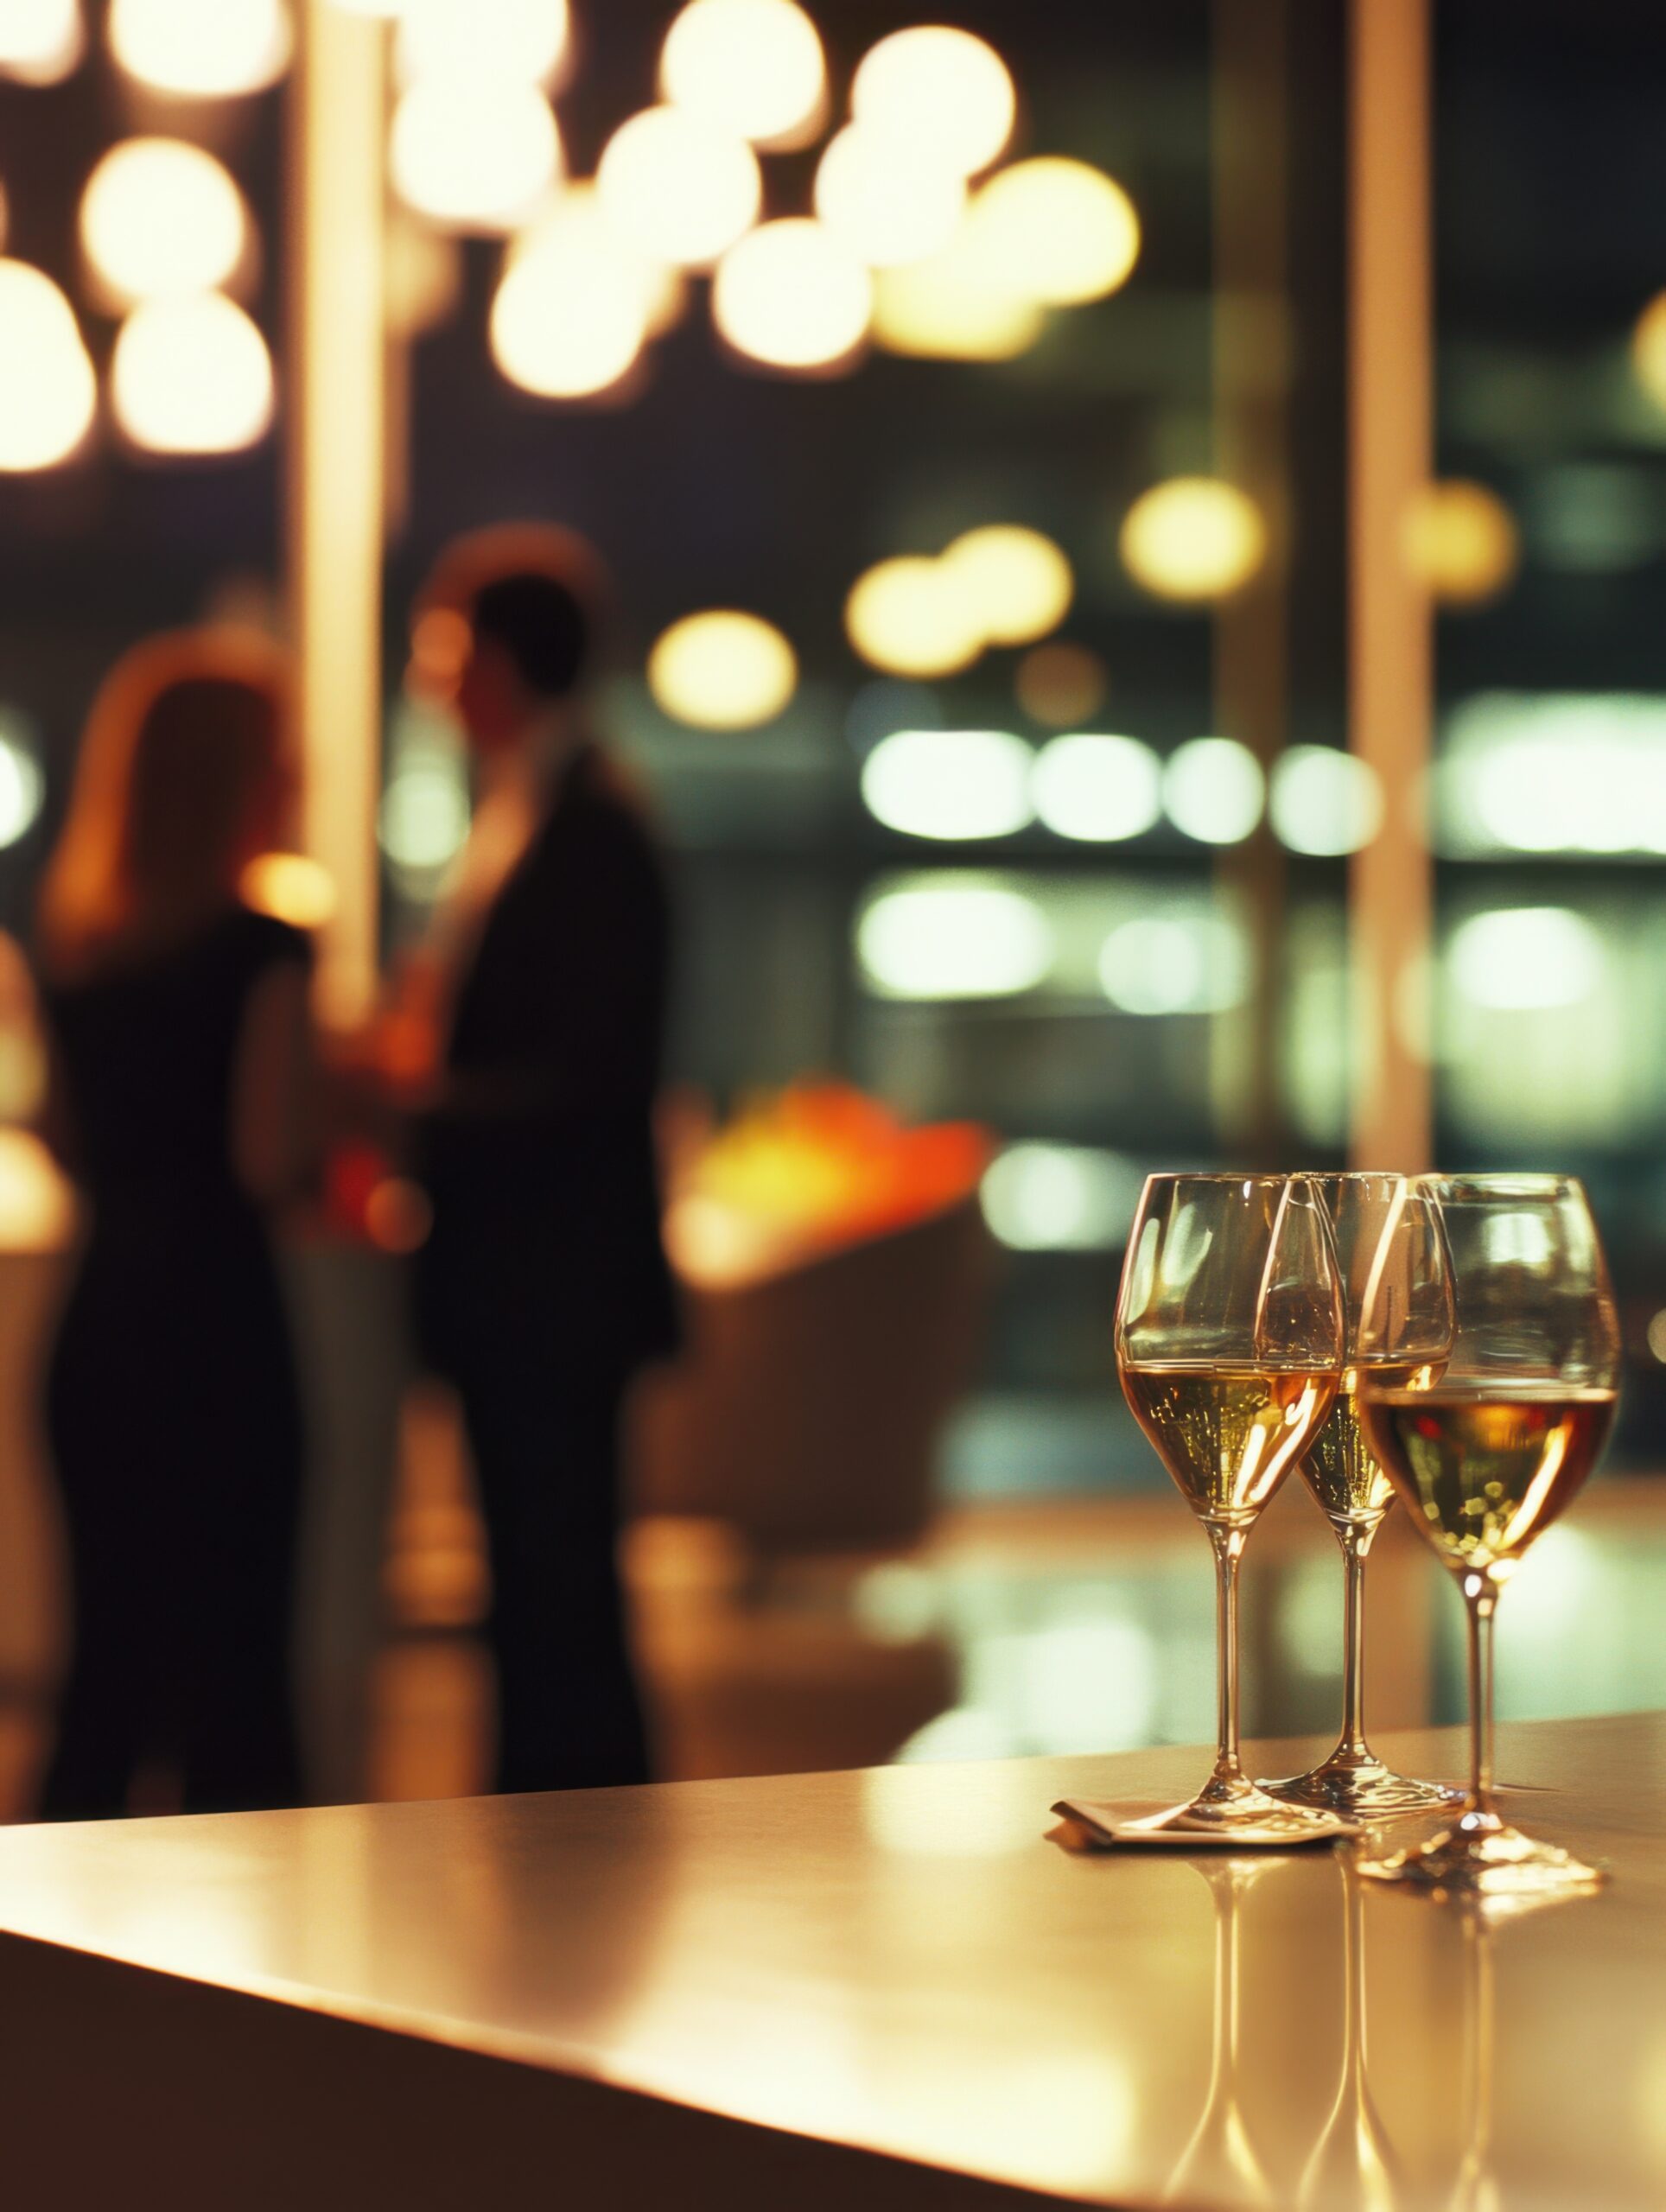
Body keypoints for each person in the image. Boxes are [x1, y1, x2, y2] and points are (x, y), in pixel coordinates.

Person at [403, 526, 678, 1795]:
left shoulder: (590, 826)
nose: (433, 681)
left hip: (550, 1279)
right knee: (536, 1574)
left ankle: (577, 1830)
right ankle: (554, 1827)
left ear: (502, 660)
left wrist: (415, 1104)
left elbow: (588, 1074)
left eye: (446, 651)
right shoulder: (541, 810)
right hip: (533, 1279)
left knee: (557, 1575)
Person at [32, 630, 318, 1818]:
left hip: (101, 1321)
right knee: (235, 1684)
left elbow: (61, 1142)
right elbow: (268, 1156)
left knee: (103, 1677)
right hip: (220, 1324)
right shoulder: (264, 951)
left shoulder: (83, 955)